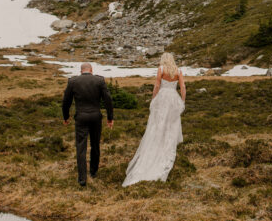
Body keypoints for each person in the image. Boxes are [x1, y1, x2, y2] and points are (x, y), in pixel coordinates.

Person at [122, 52, 186, 187]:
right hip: (173, 97)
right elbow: (183, 87)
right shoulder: (178, 71)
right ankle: (167, 143)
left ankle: (158, 141)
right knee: (171, 123)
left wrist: (153, 99)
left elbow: (157, 86)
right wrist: (182, 101)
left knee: (158, 123)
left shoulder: (161, 69)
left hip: (162, 97)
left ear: (163, 60)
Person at [62, 63, 114, 187]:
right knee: (95, 144)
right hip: (96, 116)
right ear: (91, 70)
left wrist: (65, 116)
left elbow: (66, 101)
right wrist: (110, 118)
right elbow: (108, 100)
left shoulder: (73, 81)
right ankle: (93, 172)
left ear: (81, 71)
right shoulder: (99, 80)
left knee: (81, 147)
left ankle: (82, 178)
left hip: (81, 117)